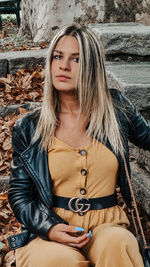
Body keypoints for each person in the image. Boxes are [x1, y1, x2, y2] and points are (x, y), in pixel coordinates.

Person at [8, 24, 150, 267]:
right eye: (58, 56)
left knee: (116, 244)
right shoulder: (29, 127)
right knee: (56, 261)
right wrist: (51, 228)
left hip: (108, 225)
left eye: (76, 59)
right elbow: (20, 194)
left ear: (92, 67)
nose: (64, 66)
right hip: (51, 228)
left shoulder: (116, 110)